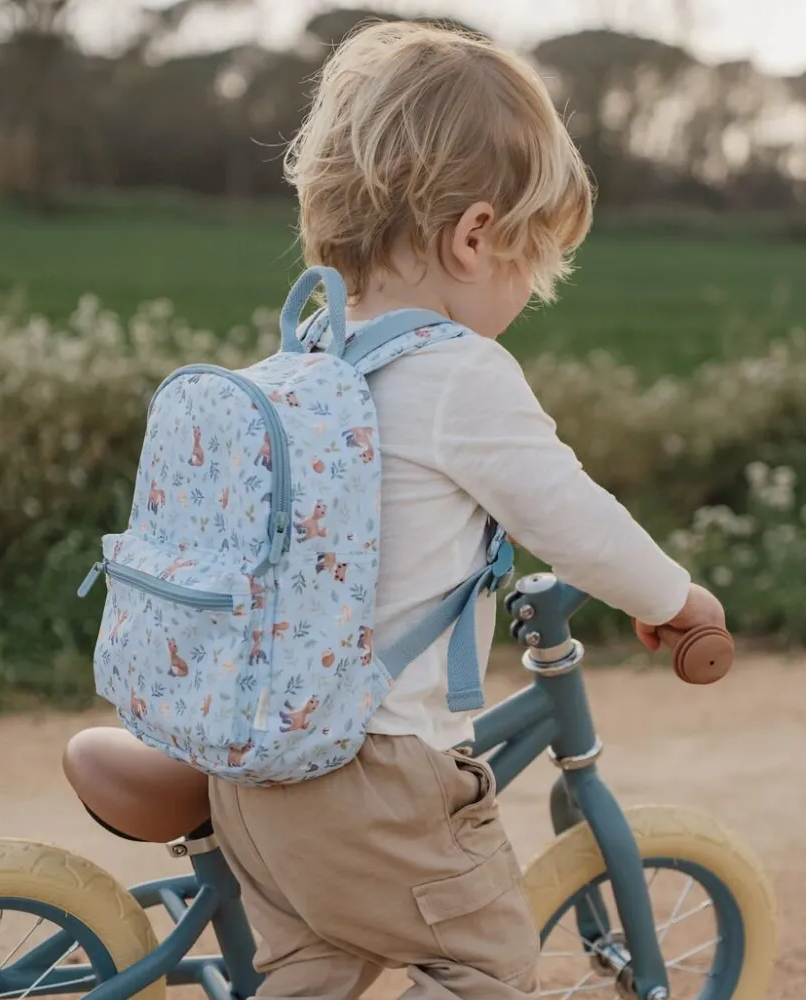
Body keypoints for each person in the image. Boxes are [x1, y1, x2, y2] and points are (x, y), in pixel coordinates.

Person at [207, 19, 726, 1000]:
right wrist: (674, 594)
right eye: (533, 263)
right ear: (475, 235)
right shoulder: (457, 373)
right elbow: (569, 514)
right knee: (484, 958)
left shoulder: (302, 353)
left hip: (251, 760)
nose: (529, 293)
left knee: (315, 963)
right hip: (374, 775)